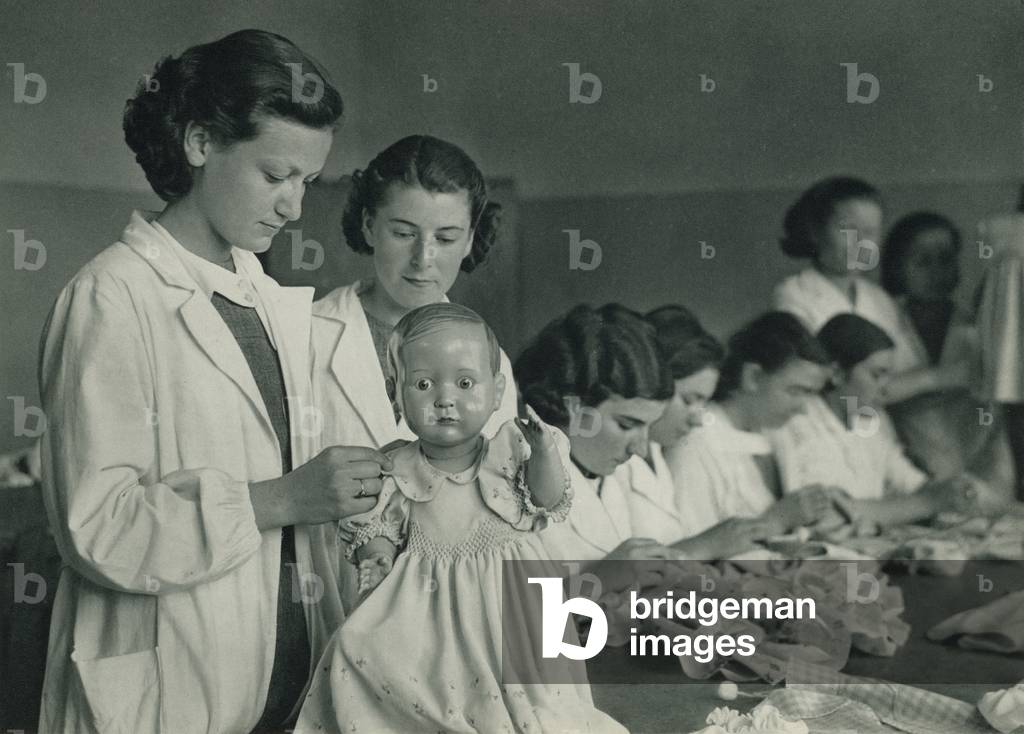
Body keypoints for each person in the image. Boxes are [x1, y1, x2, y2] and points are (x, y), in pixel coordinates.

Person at [37, 31, 391, 733]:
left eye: (306, 182)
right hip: (171, 686)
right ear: (200, 142)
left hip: (282, 676)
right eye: (275, 175)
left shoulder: (259, 294)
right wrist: (279, 499)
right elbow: (99, 526)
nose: (294, 206)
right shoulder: (113, 296)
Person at [295, 304, 627, 734]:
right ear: (395, 393)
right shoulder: (396, 467)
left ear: (496, 391)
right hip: (428, 608)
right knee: (367, 652)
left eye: (465, 382)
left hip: (514, 605)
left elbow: (548, 502)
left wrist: (544, 454)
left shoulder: (510, 452)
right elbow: (378, 526)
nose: (445, 398)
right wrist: (375, 555)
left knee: (534, 700)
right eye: (423, 384)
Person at [310, 134, 518, 610]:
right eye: (403, 233)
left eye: (445, 238)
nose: (424, 259)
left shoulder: (488, 358)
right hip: (329, 598)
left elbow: (505, 498)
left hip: (453, 608)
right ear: (368, 226)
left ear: (468, 240)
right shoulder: (306, 336)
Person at [515, 304, 678, 591]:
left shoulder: (604, 468)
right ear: (573, 406)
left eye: (648, 427)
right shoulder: (515, 482)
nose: (640, 450)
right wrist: (600, 580)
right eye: (627, 425)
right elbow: (500, 623)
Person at [770, 314, 984, 527]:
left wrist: (948, 492)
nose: (885, 387)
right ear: (836, 373)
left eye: (888, 375)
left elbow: (910, 482)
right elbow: (825, 516)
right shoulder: (798, 422)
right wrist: (927, 503)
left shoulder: (870, 419)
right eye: (876, 374)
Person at [772, 176, 967, 405]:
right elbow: (832, 386)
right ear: (815, 232)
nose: (861, 243)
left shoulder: (879, 299)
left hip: (878, 428)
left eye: (870, 232)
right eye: (848, 230)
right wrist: (934, 378)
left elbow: (905, 371)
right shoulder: (794, 294)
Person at [666, 312, 847, 539]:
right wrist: (777, 521)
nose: (803, 409)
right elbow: (691, 557)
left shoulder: (775, 434)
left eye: (810, 394)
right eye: (796, 391)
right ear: (752, 377)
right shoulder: (695, 445)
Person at [616, 305, 773, 558]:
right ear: (653, 383)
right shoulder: (613, 461)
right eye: (689, 400)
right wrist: (708, 546)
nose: (699, 419)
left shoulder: (655, 451)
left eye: (703, 402)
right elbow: (615, 573)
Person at [880, 212, 1014, 495]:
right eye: (923, 261)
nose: (937, 272)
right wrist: (943, 377)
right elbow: (868, 392)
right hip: (908, 472)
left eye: (946, 259)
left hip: (977, 466)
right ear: (897, 268)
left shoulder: (978, 326)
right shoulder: (882, 324)